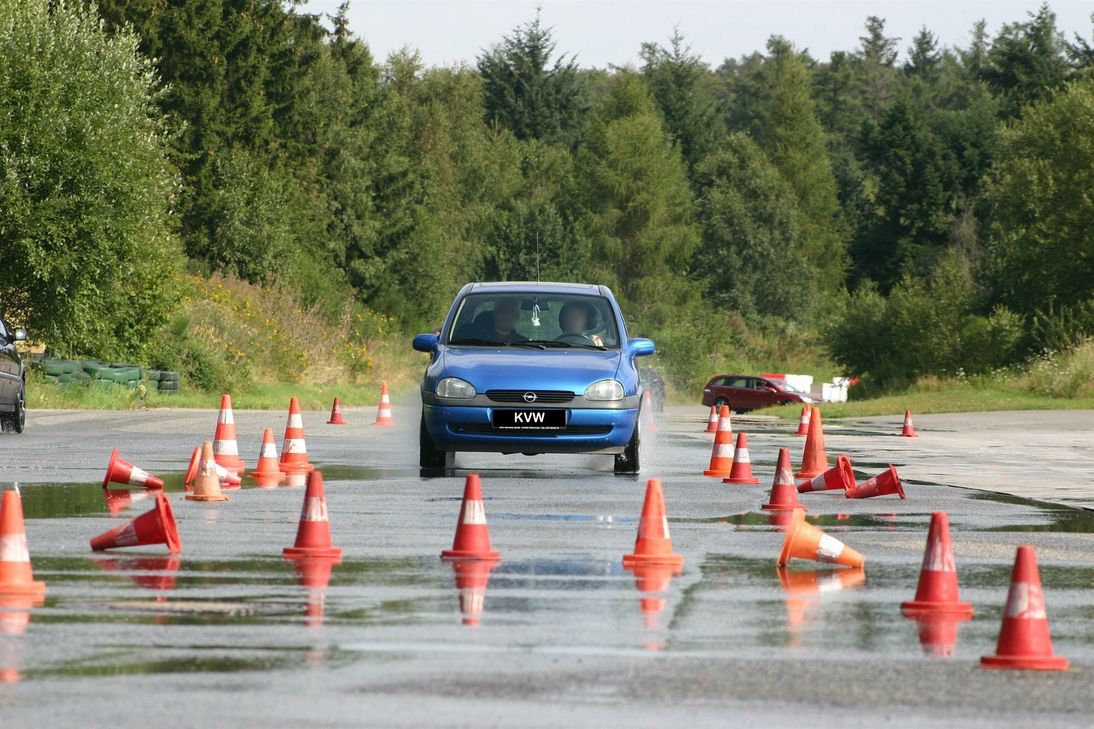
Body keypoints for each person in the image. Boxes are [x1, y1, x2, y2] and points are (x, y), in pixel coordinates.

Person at [457, 297, 527, 344]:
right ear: (495, 313)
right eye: (503, 311)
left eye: (512, 312)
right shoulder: (470, 336)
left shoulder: (524, 343)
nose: (507, 315)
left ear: (517, 316)